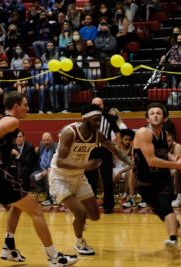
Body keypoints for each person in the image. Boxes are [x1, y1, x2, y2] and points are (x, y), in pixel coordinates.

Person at [0, 91, 78, 266]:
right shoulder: (12, 120)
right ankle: (54, 257)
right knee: (37, 211)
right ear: (16, 106)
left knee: (17, 207)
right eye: (25, 104)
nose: (28, 108)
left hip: (1, 173)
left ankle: (8, 247)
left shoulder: (4, 120)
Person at [49, 104, 133, 255]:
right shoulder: (70, 133)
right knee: (81, 214)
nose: (98, 123)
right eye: (95, 120)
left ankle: (78, 217)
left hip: (79, 177)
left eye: (99, 120)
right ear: (85, 119)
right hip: (60, 177)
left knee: (95, 216)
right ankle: (80, 242)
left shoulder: (97, 135)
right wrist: (85, 165)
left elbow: (115, 150)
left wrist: (132, 163)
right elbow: (60, 161)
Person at [132, 102, 181, 256]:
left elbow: (163, 154)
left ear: (164, 118)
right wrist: (177, 165)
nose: (155, 115)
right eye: (152, 113)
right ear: (147, 118)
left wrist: (180, 161)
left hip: (162, 177)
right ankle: (176, 226)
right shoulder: (143, 133)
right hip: (144, 181)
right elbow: (151, 160)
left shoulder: (164, 134)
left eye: (158, 113)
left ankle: (173, 240)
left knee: (166, 206)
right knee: (160, 212)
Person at [84, 97, 120, 214]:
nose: (98, 107)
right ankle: (91, 205)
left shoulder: (109, 118)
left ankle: (108, 206)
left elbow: (118, 133)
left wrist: (116, 149)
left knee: (107, 179)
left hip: (105, 151)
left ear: (103, 105)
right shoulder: (87, 118)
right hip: (91, 151)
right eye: (95, 104)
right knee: (90, 179)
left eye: (99, 105)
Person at [30, 132, 58, 206]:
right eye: (44, 140)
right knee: (33, 176)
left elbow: (57, 163)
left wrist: (49, 170)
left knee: (47, 175)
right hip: (42, 169)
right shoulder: (41, 145)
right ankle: (43, 191)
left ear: (52, 139)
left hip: (52, 171)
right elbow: (38, 154)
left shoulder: (56, 147)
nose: (46, 142)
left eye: (48, 140)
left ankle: (49, 198)